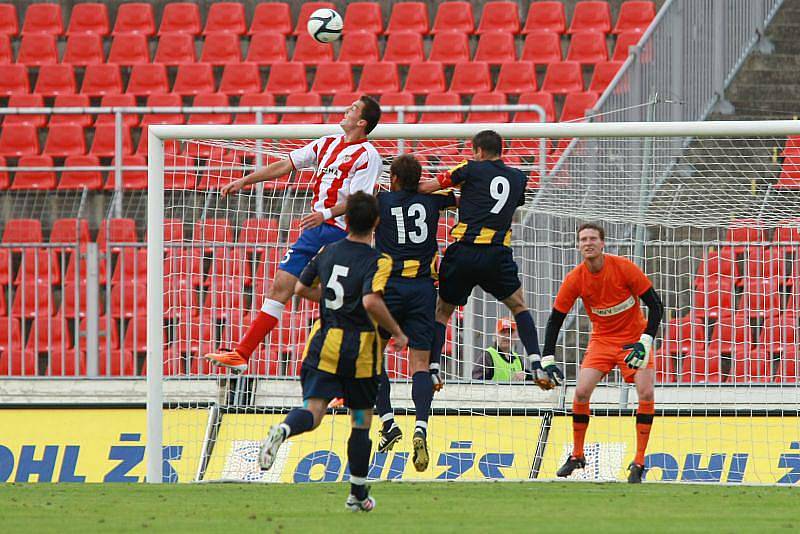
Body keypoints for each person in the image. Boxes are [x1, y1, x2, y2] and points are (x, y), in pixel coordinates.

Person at [204, 96, 383, 373]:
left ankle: (354, 374)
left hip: (343, 233)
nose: (346, 110)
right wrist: (245, 180)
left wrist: (324, 214)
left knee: (343, 302)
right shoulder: (327, 142)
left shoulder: (369, 156)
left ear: (362, 122)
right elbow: (284, 165)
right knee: (280, 287)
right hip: (316, 230)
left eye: (353, 109)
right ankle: (242, 354)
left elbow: (361, 201)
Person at [258, 192, 408, 512]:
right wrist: (396, 332)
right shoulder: (378, 260)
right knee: (360, 421)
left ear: (347, 220)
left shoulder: (328, 251)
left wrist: (329, 300)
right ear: (377, 223)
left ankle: (284, 429)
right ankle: (356, 494)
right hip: (361, 353)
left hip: (325, 346)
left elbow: (300, 288)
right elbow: (370, 301)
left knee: (313, 412)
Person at [418, 129, 563, 391]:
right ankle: (536, 363)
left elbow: (429, 187)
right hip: (497, 253)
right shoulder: (519, 178)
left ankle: (433, 369)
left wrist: (402, 189)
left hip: (464, 251)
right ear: (501, 152)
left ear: (479, 151)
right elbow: (504, 202)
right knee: (519, 306)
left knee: (442, 312)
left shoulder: (470, 168)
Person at [545, 223, 664, 483]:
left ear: (602, 244)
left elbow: (656, 306)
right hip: (602, 341)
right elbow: (555, 319)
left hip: (635, 340)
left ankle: (639, 461)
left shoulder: (624, 268)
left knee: (645, 392)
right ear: (578, 245)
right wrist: (547, 358)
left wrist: (646, 340)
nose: (587, 243)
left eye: (592, 239)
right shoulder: (575, 278)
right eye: (583, 239)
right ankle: (577, 454)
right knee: (581, 391)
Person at [371, 154, 457, 471]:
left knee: (373, 354)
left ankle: (388, 421)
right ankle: (420, 427)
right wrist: (428, 189)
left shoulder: (381, 201)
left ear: (393, 178)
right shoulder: (431, 200)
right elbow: (457, 196)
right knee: (419, 364)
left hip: (389, 288)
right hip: (422, 289)